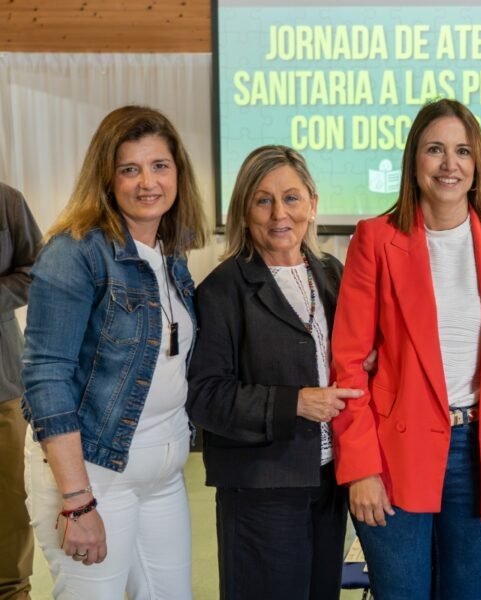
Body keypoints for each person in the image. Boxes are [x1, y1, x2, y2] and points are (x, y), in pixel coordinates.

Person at [330, 98, 481, 599]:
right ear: (414, 161)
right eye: (435, 150)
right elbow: (348, 364)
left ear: (477, 165)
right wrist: (360, 467)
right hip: (395, 452)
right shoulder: (375, 239)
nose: (450, 164)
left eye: (463, 151)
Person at [21, 105, 207, 599]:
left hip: (162, 477)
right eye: (130, 169)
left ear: (177, 174)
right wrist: (78, 502)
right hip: (94, 479)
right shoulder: (75, 252)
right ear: (106, 178)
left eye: (159, 166)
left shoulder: (171, 256)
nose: (147, 182)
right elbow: (45, 378)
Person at [187, 145, 369, 600]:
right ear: (243, 211)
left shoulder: (332, 274)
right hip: (260, 490)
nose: (278, 214)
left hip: (327, 481)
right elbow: (206, 397)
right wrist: (296, 402)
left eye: (291, 198)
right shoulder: (223, 289)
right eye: (262, 200)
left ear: (312, 202)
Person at [0, 183, 42, 600]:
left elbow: (35, 270)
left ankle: (13, 590)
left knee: (8, 499)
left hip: (1, 383)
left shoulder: (6, 201)